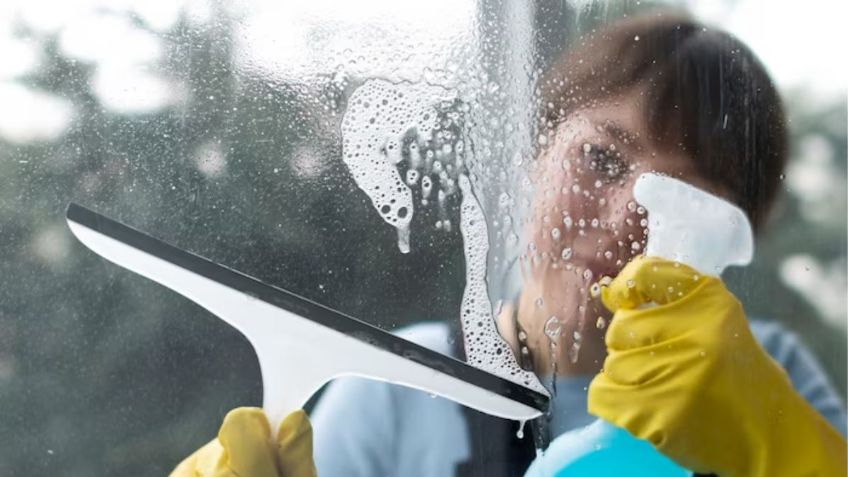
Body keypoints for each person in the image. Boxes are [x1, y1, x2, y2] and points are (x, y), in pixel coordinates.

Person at [171, 12, 847, 477]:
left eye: (686, 202)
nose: (625, 221)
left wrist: (785, 448)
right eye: (602, 160)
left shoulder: (771, 376)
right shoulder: (394, 388)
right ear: (533, 155)